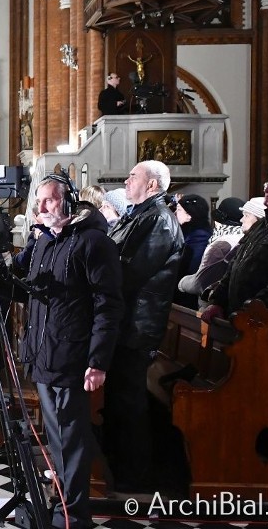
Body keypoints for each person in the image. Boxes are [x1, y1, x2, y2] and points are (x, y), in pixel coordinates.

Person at [18, 175, 123, 529]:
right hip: (45, 353)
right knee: (57, 437)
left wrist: (97, 361)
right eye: (39, 201)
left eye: (48, 200)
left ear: (69, 201)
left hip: (73, 356)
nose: (41, 207)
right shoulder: (46, 241)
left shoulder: (94, 242)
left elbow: (107, 306)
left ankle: (74, 515)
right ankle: (61, 499)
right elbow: (31, 293)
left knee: (71, 439)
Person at [202, 167, 268, 494]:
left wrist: (254, 308)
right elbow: (237, 263)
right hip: (253, 330)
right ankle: (263, 460)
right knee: (260, 398)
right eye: (267, 184)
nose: (266, 190)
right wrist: (219, 299)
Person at [104, 160, 183, 492]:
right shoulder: (138, 215)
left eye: (132, 175)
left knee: (129, 399)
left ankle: (134, 475)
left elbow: (132, 272)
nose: (126, 179)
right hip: (125, 321)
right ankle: (115, 464)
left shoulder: (159, 221)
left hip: (138, 323)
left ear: (152, 184)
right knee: (119, 398)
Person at [177, 197, 250, 309]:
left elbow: (201, 283)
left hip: (212, 305)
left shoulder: (220, 244)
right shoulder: (247, 239)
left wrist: (181, 283)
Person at [173, 194, 212, 309]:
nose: (175, 213)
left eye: (179, 210)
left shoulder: (199, 236)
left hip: (187, 293)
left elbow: (191, 268)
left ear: (190, 215)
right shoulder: (188, 231)